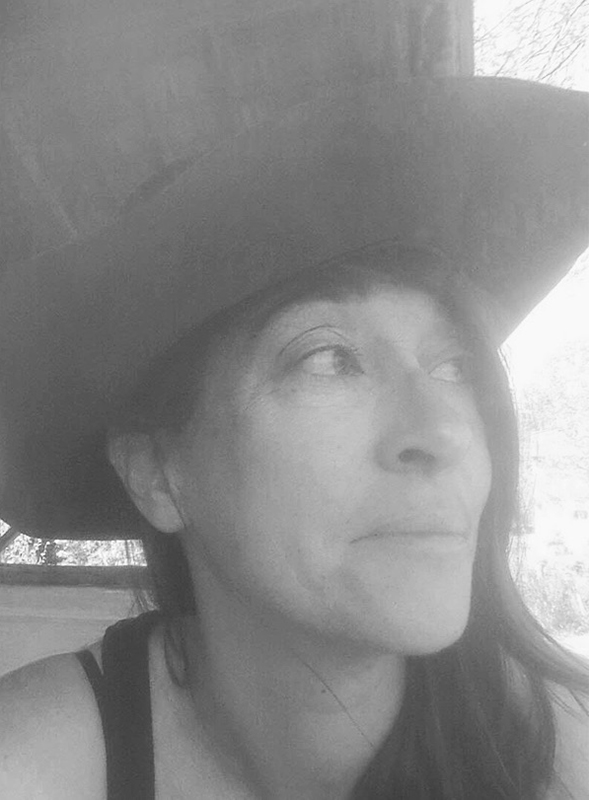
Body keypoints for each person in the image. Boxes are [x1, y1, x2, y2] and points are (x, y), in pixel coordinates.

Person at [0, 82, 588, 800]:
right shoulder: (34, 761)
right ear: (156, 472)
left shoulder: (564, 750)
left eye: (455, 366)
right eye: (329, 358)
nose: (444, 432)